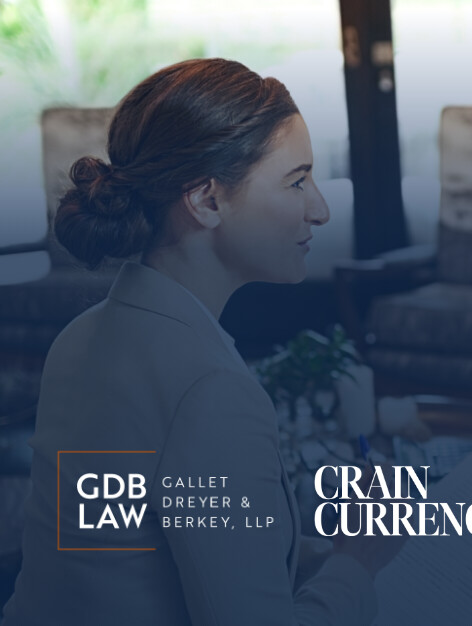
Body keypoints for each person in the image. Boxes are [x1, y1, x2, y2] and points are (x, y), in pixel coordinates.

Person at [2, 59, 394, 625]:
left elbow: (140, 547)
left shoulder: (79, 338)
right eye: (296, 181)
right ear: (207, 201)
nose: (321, 208)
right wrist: (354, 567)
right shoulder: (210, 389)